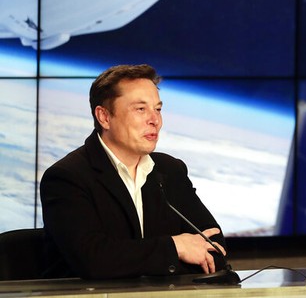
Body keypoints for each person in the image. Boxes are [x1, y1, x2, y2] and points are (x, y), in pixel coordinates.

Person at [40, 64, 228, 279]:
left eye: (157, 109)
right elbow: (94, 261)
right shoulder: (68, 177)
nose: (155, 120)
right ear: (104, 117)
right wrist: (175, 248)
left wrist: (136, 260)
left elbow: (216, 248)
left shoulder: (169, 170)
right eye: (141, 109)